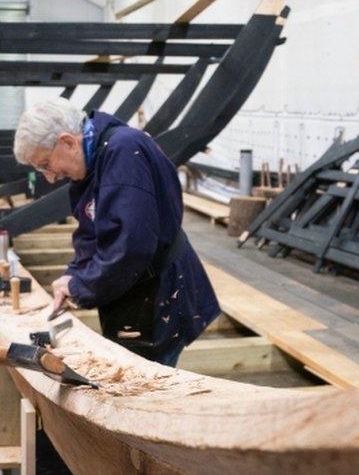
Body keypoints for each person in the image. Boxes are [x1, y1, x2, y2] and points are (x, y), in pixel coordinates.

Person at [13, 98, 221, 367]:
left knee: (148, 385)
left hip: (160, 292)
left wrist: (81, 286)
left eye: (45, 164)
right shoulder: (91, 160)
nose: (50, 177)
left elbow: (130, 246)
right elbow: (91, 232)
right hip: (135, 289)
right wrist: (74, 274)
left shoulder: (123, 152)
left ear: (67, 142)